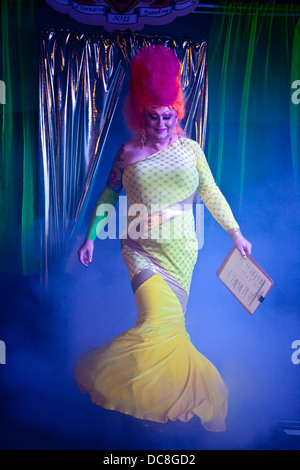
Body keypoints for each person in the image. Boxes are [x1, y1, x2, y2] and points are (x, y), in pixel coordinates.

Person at [75, 45, 252, 432]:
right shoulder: (127, 153)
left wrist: (236, 234)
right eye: (153, 117)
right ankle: (142, 398)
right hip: (139, 249)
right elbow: (108, 196)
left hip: (183, 253)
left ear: (177, 113)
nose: (160, 124)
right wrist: (90, 238)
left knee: (171, 335)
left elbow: (211, 192)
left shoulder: (191, 151)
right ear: (143, 114)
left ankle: (155, 411)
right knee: (154, 324)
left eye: (167, 116)